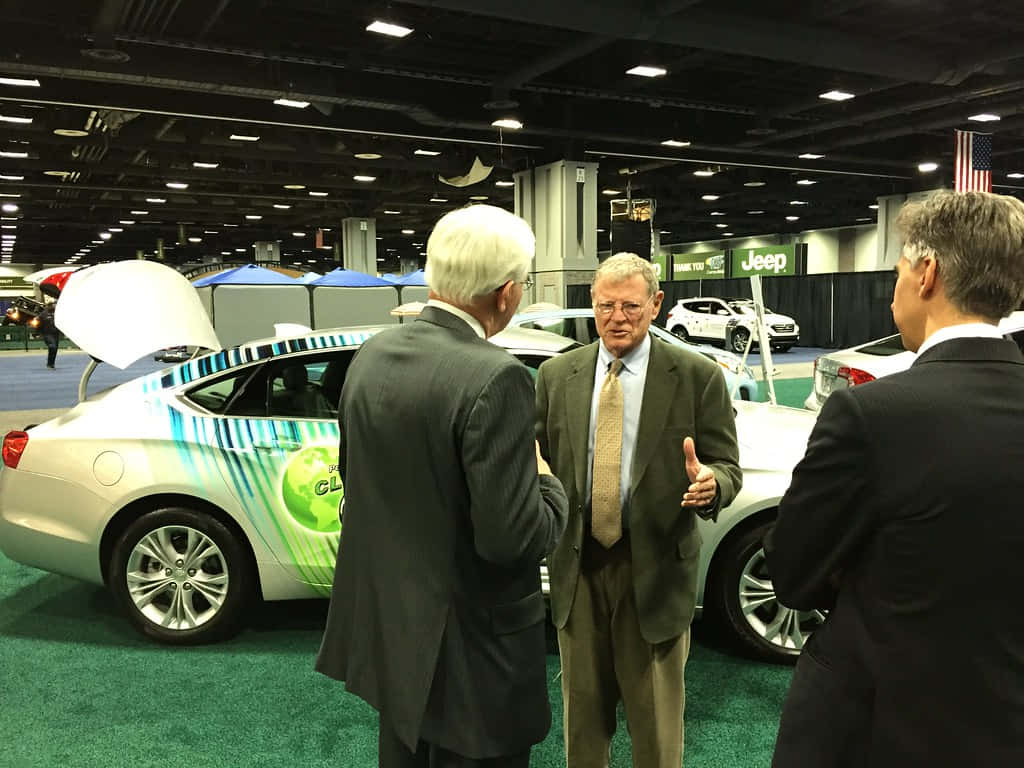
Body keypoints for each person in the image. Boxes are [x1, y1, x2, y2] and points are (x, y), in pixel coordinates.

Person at [764, 189, 1024, 767]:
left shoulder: (873, 413)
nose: (894, 292)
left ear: (927, 272)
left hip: (878, 725)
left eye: (900, 270)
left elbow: (793, 571)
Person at [315, 204, 569, 768]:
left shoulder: (372, 354)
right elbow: (512, 540)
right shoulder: (495, 376)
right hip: (476, 660)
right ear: (506, 294)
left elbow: (358, 482)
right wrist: (549, 484)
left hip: (398, 640)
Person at [535, 252, 742, 768]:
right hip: (577, 569)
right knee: (582, 728)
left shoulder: (697, 376)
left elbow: (727, 466)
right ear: (592, 303)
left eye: (630, 305)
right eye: (606, 306)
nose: (617, 318)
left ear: (655, 304)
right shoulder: (557, 374)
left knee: (656, 733)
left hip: (654, 571)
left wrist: (711, 484)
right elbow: (537, 457)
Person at [35, 304, 60, 369]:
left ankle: (51, 364)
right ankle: (50, 364)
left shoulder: (57, 313)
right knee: (52, 346)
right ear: (48, 306)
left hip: (56, 334)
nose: (54, 306)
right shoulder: (43, 314)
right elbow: (38, 325)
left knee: (55, 349)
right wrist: (38, 333)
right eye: (52, 305)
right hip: (47, 334)